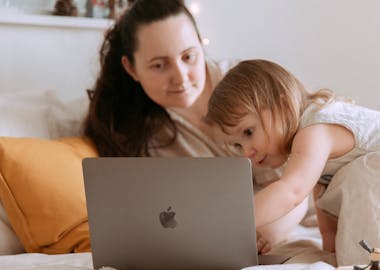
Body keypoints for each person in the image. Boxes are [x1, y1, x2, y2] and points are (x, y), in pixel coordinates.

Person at [204, 59, 380, 265]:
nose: (247, 152)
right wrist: (330, 246)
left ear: (281, 104)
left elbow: (291, 192)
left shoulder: (314, 130)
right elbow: (326, 200)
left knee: (364, 188)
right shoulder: (306, 146)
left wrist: (233, 220)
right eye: (237, 145)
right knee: (351, 185)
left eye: (249, 132)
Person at [82, 0, 308, 254]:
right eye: (159, 65)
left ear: (201, 44)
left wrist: (261, 234)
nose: (180, 77)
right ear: (131, 68)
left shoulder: (250, 86)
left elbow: (298, 184)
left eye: (188, 57)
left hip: (280, 221)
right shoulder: (131, 126)